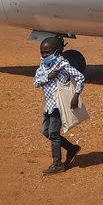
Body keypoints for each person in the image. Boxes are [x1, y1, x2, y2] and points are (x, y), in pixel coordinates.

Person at [34, 37, 84, 175]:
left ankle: (57, 164)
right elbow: (36, 82)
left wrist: (76, 95)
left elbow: (80, 77)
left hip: (58, 104)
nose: (44, 55)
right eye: (42, 52)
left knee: (54, 134)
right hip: (49, 105)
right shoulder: (43, 65)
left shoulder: (63, 64)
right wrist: (47, 77)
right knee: (45, 131)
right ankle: (71, 148)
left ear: (56, 52)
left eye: (47, 52)